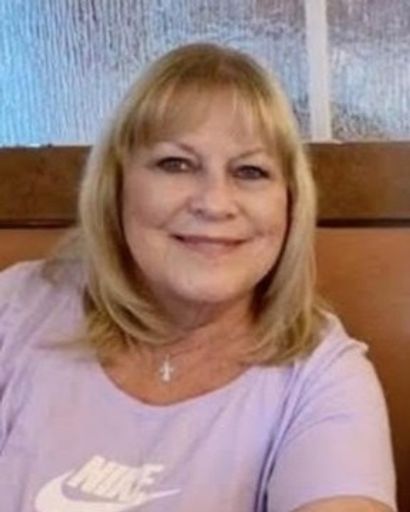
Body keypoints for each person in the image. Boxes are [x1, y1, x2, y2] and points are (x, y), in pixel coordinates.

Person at [0, 43, 396, 512]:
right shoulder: (16, 308)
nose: (214, 203)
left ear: (290, 204)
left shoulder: (323, 377)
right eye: (176, 164)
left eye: (250, 171)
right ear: (116, 186)